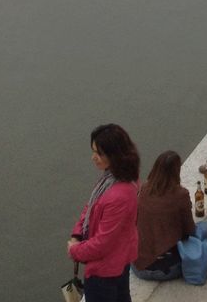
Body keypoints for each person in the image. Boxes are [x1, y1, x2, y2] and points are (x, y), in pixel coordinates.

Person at [67, 123, 140, 302]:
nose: (94, 158)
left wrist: (75, 250)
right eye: (93, 151)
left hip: (105, 270)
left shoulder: (118, 195)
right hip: (120, 258)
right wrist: (77, 233)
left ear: (114, 155)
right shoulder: (116, 176)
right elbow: (90, 206)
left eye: (99, 153)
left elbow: (102, 243)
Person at [132, 151, 198, 282]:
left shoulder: (144, 189)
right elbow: (190, 230)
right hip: (166, 269)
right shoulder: (180, 194)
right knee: (204, 229)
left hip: (137, 266)